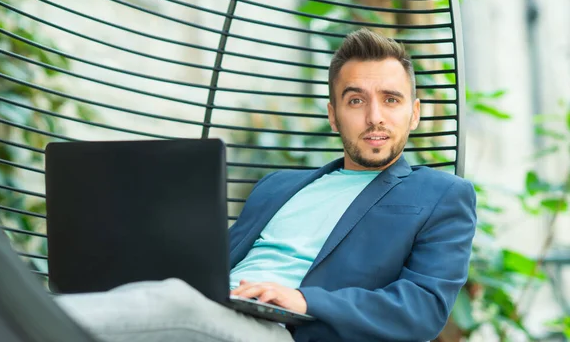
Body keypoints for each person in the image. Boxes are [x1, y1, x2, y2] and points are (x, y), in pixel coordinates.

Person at [56, 29, 477, 342]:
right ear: (333, 115)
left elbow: (423, 308)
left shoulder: (441, 195)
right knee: (155, 294)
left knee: (171, 302)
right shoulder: (278, 186)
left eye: (391, 99)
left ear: (415, 113)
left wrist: (304, 300)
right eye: (355, 100)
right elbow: (213, 262)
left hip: (285, 331)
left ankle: (15, 319)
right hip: (215, 307)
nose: (374, 117)